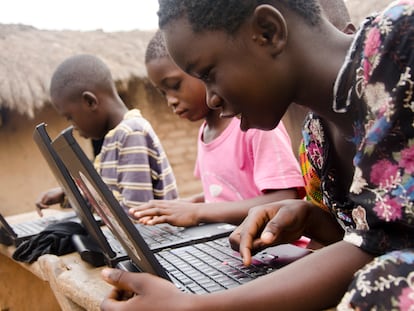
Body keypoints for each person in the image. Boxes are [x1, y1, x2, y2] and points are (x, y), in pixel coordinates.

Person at [100, 0, 414, 310]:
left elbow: (388, 254)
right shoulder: (316, 139)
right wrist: (314, 220)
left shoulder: (402, 42)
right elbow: (377, 238)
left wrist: (195, 307)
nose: (211, 99)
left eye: (208, 74)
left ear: (267, 32)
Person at [129, 30, 305, 227]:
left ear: (203, 72)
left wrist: (198, 212)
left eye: (175, 85)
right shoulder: (205, 133)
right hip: (231, 246)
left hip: (278, 248)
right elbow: (223, 193)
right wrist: (185, 204)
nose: (170, 100)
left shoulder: (256, 125)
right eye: (163, 93)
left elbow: (286, 197)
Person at [36, 54, 178, 216]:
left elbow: (135, 213)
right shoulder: (112, 140)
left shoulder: (131, 133)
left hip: (155, 236)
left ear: (90, 102)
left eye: (70, 117)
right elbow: (108, 201)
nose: (73, 126)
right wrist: (68, 194)